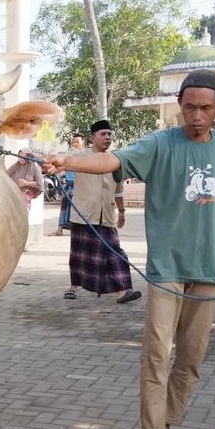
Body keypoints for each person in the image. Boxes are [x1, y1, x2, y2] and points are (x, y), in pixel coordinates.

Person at [42, 69, 215, 429]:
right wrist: (68, 160)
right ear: (180, 106)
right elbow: (114, 159)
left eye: (205, 108)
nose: (196, 115)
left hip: (210, 270)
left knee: (192, 357)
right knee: (158, 354)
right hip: (167, 269)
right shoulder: (160, 144)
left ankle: (167, 425)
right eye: (189, 106)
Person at [62, 120, 141, 304]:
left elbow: (118, 189)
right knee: (79, 255)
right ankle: (74, 287)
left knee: (114, 252)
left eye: (109, 134)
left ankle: (122, 291)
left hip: (106, 215)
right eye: (103, 134)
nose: (107, 138)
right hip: (84, 215)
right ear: (92, 138)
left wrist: (121, 210)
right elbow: (62, 161)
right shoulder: (80, 156)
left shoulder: (115, 160)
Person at [51, 135, 84, 236]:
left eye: (77, 142)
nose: (75, 144)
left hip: (80, 185)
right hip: (69, 184)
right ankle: (60, 229)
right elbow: (63, 167)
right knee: (64, 206)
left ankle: (77, 229)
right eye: (73, 142)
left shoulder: (84, 155)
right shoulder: (69, 154)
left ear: (83, 142)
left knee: (77, 208)